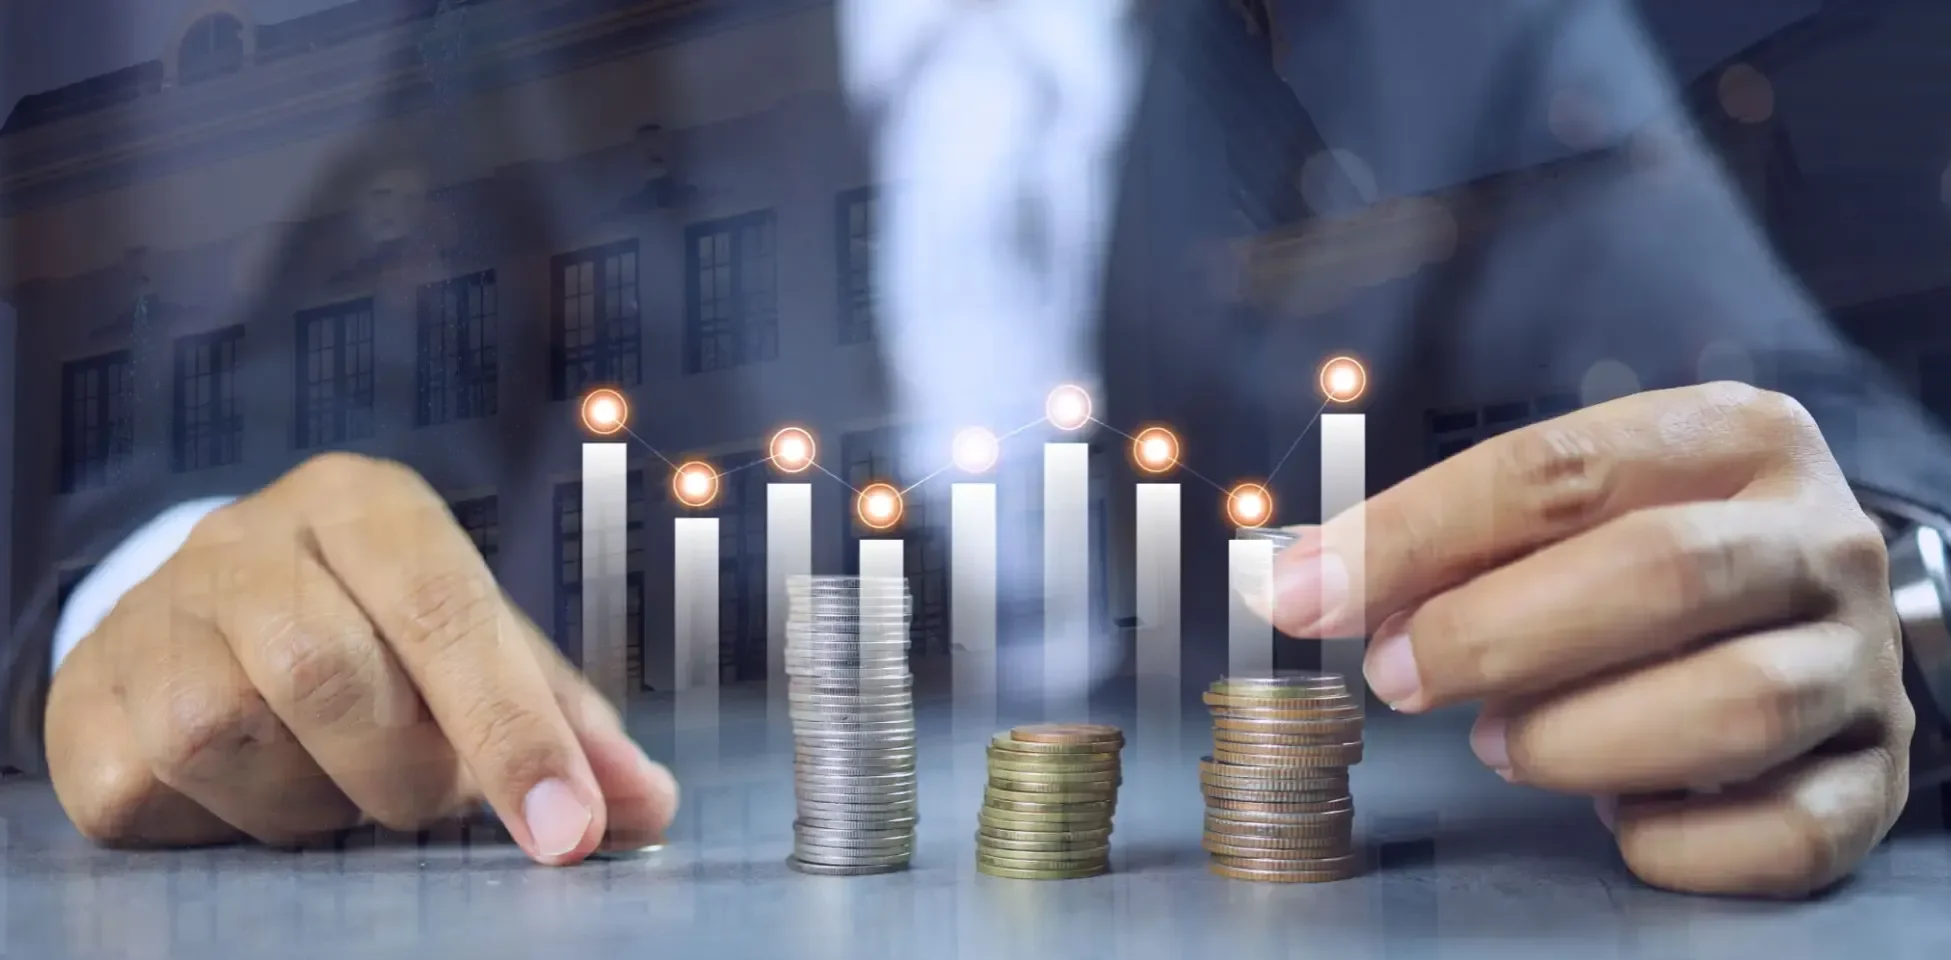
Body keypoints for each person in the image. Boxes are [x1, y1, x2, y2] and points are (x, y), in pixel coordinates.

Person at [1, 0, 1944, 896]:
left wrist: (1877, 591)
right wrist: (176, 584)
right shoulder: (534, 49)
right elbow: (235, 443)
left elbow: (1804, 443)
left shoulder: (1455, 35)